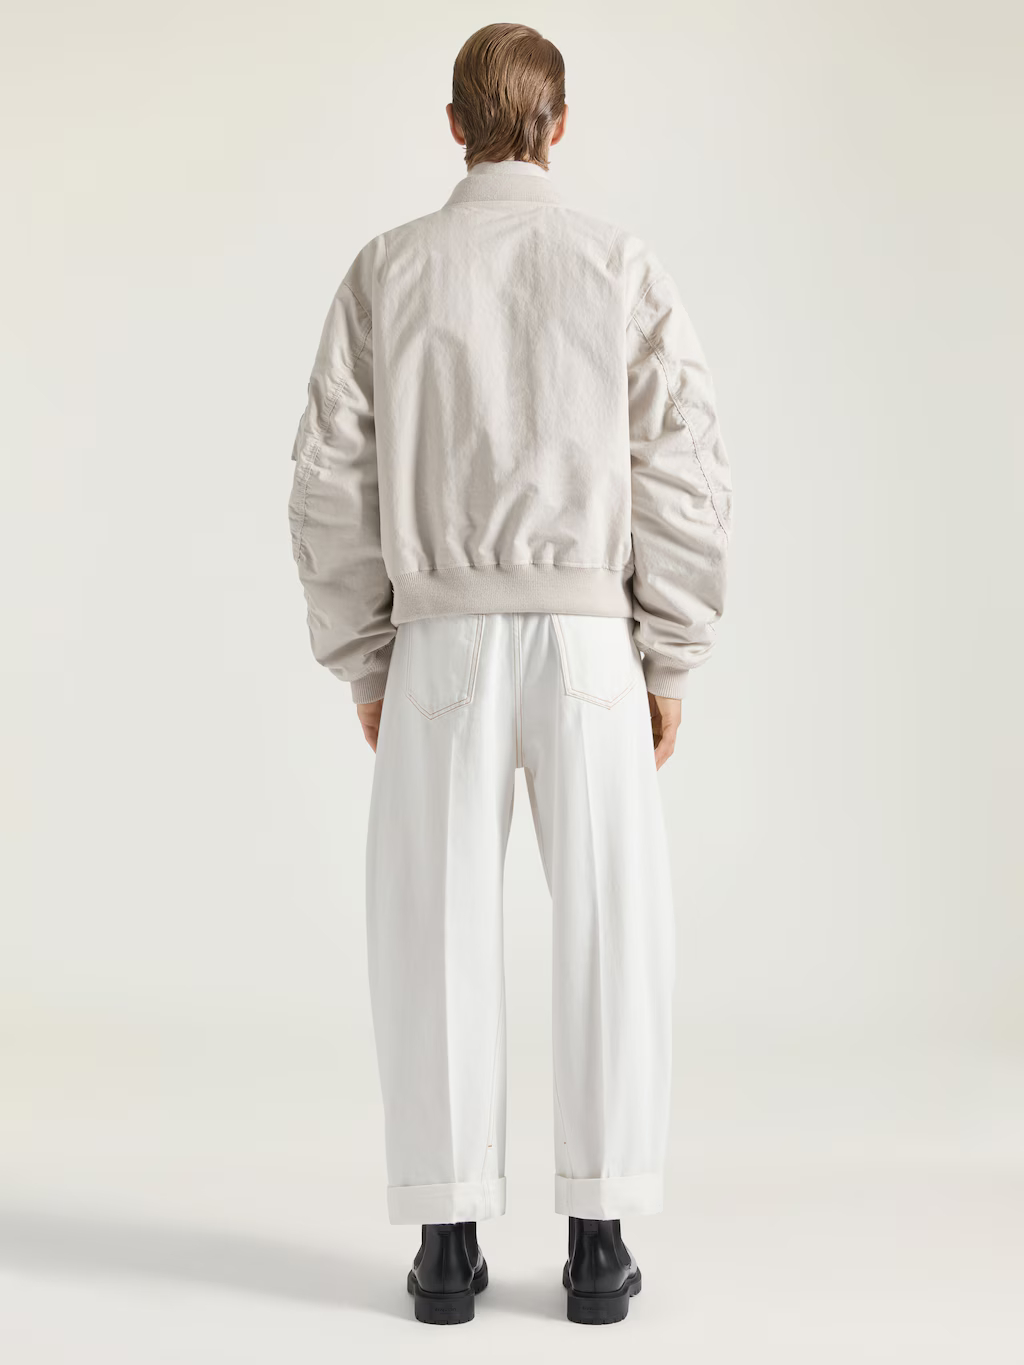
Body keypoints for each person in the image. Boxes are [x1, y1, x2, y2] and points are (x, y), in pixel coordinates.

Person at [287, 21, 732, 1327]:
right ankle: (598, 1242)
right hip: (591, 638)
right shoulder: (619, 265)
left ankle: (446, 1245)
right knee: (612, 923)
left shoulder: (388, 269)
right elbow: (684, 465)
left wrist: (363, 653)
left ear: (453, 126)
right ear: (559, 124)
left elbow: (330, 476)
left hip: (439, 636)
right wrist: (670, 651)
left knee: (431, 925)